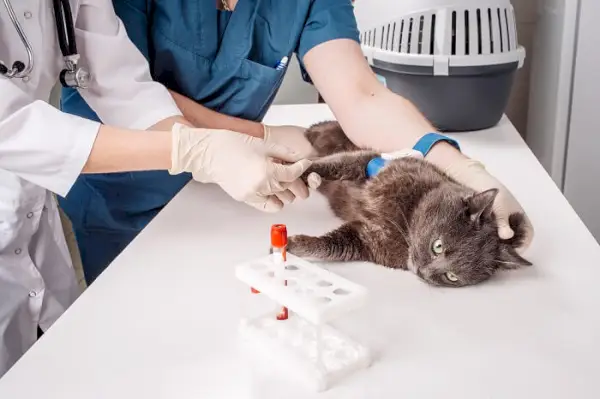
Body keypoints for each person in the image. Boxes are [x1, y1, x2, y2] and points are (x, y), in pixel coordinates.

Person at [59, 0, 535, 285]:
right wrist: (255, 136)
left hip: (232, 193)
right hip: (122, 189)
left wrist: (460, 166)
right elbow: (123, 89)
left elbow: (361, 95)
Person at [0, 0, 310, 378]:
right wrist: (192, 150)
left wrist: (207, 148)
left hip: (28, 219)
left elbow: (120, 82)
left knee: (52, 370)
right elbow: (11, 129)